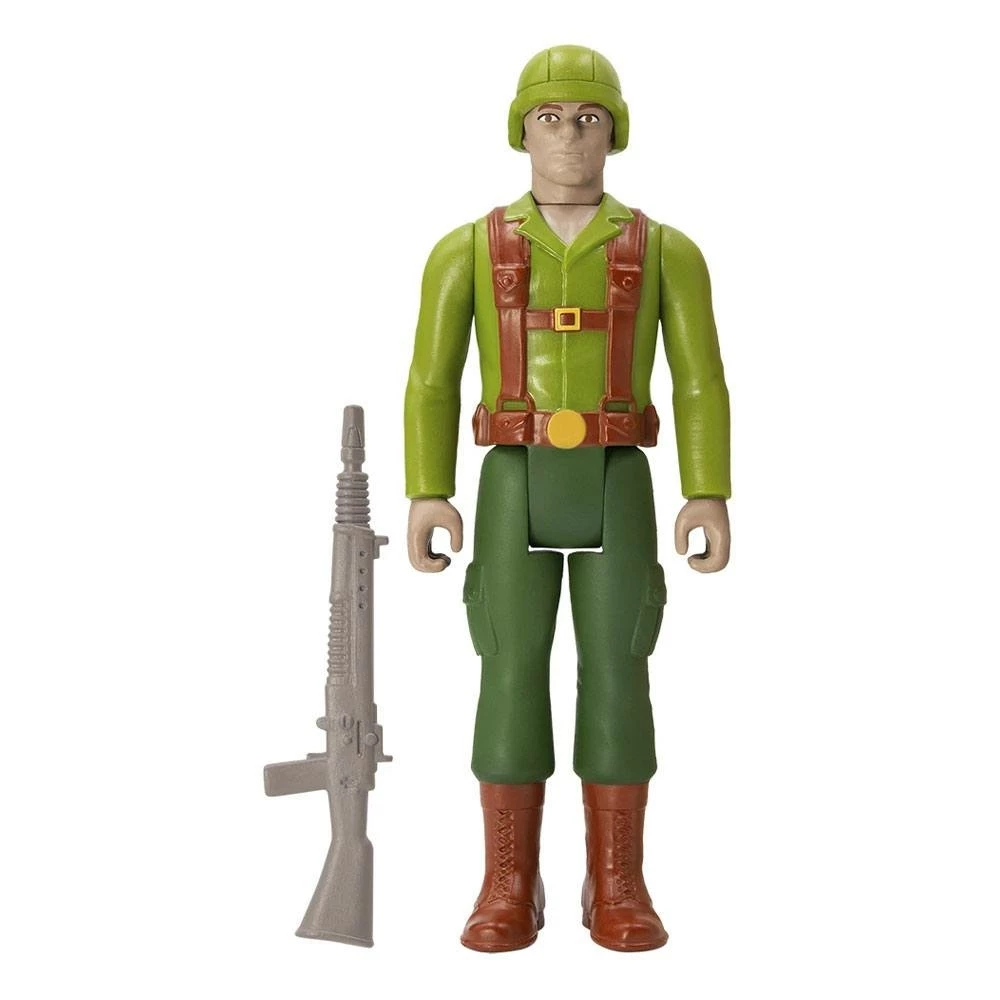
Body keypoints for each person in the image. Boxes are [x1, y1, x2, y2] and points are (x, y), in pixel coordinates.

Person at [404, 44, 731, 952]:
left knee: (621, 670)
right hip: (511, 475)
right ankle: (508, 880)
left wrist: (706, 491)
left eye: (589, 118)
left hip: (620, 474)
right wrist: (429, 490)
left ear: (616, 133)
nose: (569, 137)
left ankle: (617, 880)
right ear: (520, 132)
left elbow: (700, 379)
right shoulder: (468, 249)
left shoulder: (665, 251)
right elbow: (430, 379)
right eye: (549, 118)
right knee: (509, 670)